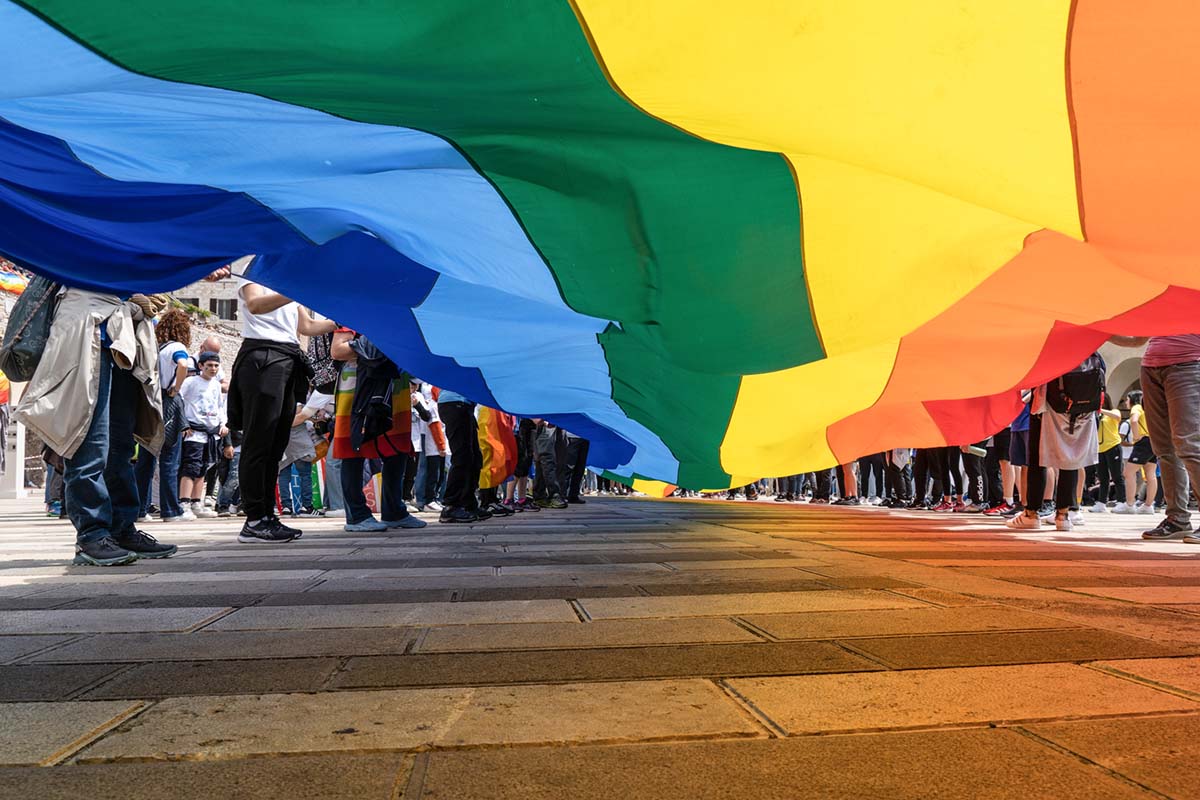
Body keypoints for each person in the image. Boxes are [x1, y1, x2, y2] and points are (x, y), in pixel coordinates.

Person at [16, 289, 176, 565]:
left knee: (121, 446)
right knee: (91, 444)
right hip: (88, 333)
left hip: (125, 337)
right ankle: (92, 535)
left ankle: (121, 528)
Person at [227, 265, 335, 543]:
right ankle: (254, 518)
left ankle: (267, 516)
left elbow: (307, 327)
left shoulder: (290, 281)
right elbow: (255, 305)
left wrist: (343, 321)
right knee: (259, 442)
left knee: (276, 444)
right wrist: (293, 290)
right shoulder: (253, 272)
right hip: (263, 356)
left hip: (288, 358)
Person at [330, 328, 426, 531]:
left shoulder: (396, 315)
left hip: (393, 384)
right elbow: (337, 350)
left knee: (398, 446)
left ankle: (394, 510)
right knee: (354, 448)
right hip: (358, 386)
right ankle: (357, 515)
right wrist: (379, 343)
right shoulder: (353, 312)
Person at [1111, 335, 1200, 542]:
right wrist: (1100, 331)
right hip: (1150, 367)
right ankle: (1177, 519)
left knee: (1189, 445)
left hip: (1189, 364)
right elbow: (1136, 340)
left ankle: (1178, 518)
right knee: (1164, 449)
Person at [1007, 355, 1102, 532]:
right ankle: (1063, 516)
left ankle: (1031, 513)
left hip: (1049, 401)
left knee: (1037, 457)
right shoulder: (1089, 347)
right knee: (1071, 457)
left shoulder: (1056, 338)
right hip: (1082, 408)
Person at [140, 309, 192, 523]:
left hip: (152, 400)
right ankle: (171, 510)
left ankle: (139, 509)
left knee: (146, 458)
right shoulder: (177, 348)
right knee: (170, 458)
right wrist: (176, 387)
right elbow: (183, 364)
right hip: (169, 401)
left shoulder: (157, 348)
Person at [177, 351, 227, 519]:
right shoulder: (191, 382)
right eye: (209, 365)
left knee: (204, 468)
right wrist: (183, 424)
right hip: (194, 432)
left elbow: (219, 406)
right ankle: (183, 502)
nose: (213, 369)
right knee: (190, 467)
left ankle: (196, 501)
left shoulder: (215, 385)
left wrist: (223, 423)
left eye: (216, 365)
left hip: (211, 432)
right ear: (200, 366)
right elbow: (179, 401)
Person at [1113, 389, 1158, 515]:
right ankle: (1148, 505)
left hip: (1143, 442)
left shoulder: (1137, 407)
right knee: (1151, 474)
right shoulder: (1149, 407)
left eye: (1127, 399)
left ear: (1132, 399)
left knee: (1128, 472)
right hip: (1153, 441)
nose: (1126, 402)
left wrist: (1137, 436)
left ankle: (1129, 504)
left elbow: (1133, 421)